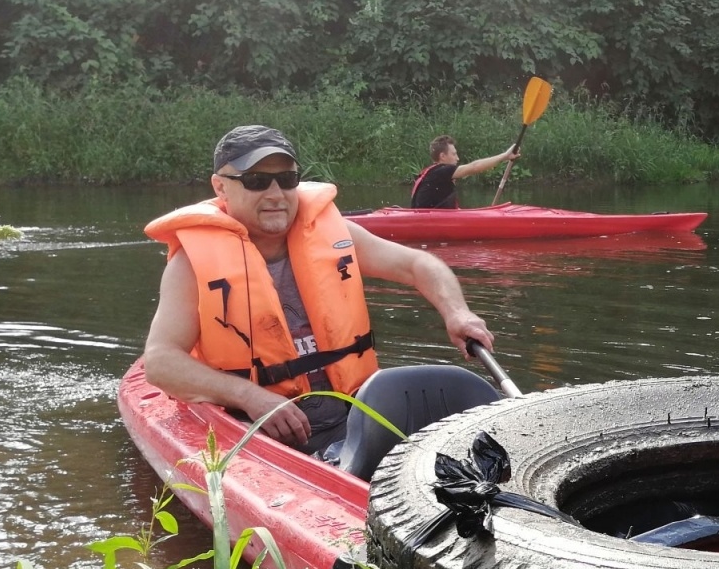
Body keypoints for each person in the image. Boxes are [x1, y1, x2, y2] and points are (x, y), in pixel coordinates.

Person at [143, 124, 494, 455]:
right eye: (256, 181)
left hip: (354, 415)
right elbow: (161, 362)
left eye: (287, 179)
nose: (276, 194)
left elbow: (420, 265)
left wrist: (457, 312)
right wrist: (249, 396)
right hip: (258, 430)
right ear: (221, 187)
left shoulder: (334, 234)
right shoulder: (191, 264)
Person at [409, 135, 520, 209]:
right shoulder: (441, 171)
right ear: (442, 156)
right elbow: (474, 167)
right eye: (454, 154)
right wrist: (504, 156)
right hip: (426, 220)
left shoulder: (434, 173)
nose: (457, 158)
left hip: (429, 217)